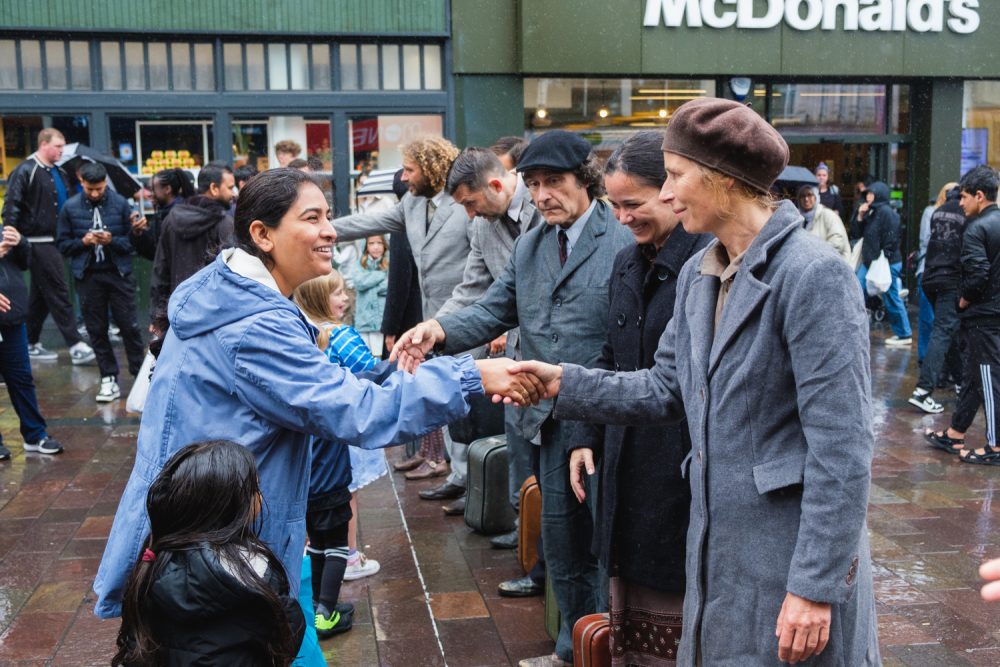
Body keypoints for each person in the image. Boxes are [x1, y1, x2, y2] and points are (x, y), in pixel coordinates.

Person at [505, 98, 879, 666]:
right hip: (717, 554)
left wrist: (815, 585)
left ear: (723, 180)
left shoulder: (813, 276)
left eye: (676, 175)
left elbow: (844, 451)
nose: (669, 193)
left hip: (787, 560)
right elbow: (663, 388)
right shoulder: (700, 276)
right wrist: (562, 381)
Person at [93, 168, 538, 629]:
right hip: (224, 557)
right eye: (312, 218)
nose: (330, 229)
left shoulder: (220, 291)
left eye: (328, 215)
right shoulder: (255, 328)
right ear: (262, 235)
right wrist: (470, 376)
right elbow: (361, 411)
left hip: (204, 543)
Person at [392, 130, 634, 666]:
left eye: (555, 183)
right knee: (561, 540)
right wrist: (436, 330)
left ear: (585, 181)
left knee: (607, 544)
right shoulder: (531, 245)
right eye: (536, 183)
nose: (544, 194)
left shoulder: (621, 237)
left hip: (604, 418)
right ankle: (573, 649)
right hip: (546, 420)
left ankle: (615, 649)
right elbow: (494, 309)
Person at [573, 131, 711, 666]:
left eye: (634, 204)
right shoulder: (628, 262)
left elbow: (668, 385)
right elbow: (612, 352)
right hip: (625, 464)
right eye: (613, 205)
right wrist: (585, 436)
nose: (622, 217)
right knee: (630, 620)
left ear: (673, 192)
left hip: (676, 469)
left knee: (680, 617)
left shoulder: (706, 267)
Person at [334, 137, 475, 508]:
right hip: (433, 320)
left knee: (471, 400)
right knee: (450, 398)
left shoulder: (465, 206)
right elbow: (368, 222)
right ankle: (460, 477)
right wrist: (322, 229)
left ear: (430, 169)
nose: (404, 176)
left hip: (469, 317)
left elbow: (487, 265)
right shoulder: (411, 204)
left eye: (410, 169)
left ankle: (476, 483)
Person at [111, 440, 305, 666]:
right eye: (255, 488)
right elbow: (285, 637)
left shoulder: (153, 563)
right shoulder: (256, 572)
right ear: (232, 504)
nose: (260, 496)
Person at [437, 145, 546, 532]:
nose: (469, 214)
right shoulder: (482, 225)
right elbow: (471, 290)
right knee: (518, 450)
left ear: (497, 184)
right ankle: (524, 535)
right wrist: (434, 330)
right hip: (516, 359)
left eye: (470, 202)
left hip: (557, 357)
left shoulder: (545, 205)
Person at [293, 271, 386, 583]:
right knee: (349, 492)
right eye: (336, 293)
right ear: (318, 298)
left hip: (316, 431)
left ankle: (314, 549)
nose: (345, 298)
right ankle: (348, 555)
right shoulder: (342, 335)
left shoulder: (302, 331)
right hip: (347, 427)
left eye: (344, 291)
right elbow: (371, 372)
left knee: (314, 493)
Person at [292, 274, 363, 638]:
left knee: (317, 545)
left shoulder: (299, 387)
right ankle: (325, 611)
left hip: (308, 485)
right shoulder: (330, 388)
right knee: (336, 545)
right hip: (332, 481)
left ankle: (322, 605)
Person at [924, 165, 1000, 466]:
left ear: (980, 196)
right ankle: (955, 432)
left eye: (966, 197)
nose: (962, 203)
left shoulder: (977, 228)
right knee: (973, 376)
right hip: (992, 313)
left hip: (984, 316)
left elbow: (978, 273)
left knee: (988, 377)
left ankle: (995, 445)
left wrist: (964, 300)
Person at [0, 128, 95, 364]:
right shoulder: (26, 170)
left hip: (57, 240)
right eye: (58, 147)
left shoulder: (60, 172)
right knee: (59, 289)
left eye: (63, 147)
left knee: (42, 296)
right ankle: (75, 344)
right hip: (35, 242)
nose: (62, 151)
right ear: (44, 144)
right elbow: (11, 206)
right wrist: (9, 237)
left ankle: (30, 342)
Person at [55, 162, 146, 403]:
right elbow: (63, 245)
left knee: (129, 326)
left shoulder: (120, 203)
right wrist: (84, 242)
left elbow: (131, 245)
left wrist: (111, 240)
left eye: (99, 188)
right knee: (96, 329)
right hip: (88, 275)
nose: (95, 193)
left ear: (106, 183)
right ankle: (108, 377)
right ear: (81, 183)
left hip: (118, 273)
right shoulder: (70, 207)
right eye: (90, 189)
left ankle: (140, 377)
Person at [0, 224, 65, 459]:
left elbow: (25, 262)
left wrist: (22, 242)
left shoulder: (2, 228)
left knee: (22, 379)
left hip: (13, 319)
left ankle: (35, 434)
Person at [150, 162, 235, 330]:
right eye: (230, 188)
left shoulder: (171, 218)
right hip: (215, 317)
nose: (233, 194)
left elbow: (160, 271)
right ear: (214, 188)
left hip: (178, 311)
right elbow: (233, 275)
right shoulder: (225, 224)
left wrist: (156, 315)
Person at [909, 183, 963, 415]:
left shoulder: (937, 212)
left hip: (931, 277)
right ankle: (923, 390)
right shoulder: (965, 213)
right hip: (951, 279)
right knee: (943, 331)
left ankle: (962, 383)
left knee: (947, 330)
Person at [857, 181, 912, 346]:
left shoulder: (886, 212)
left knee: (891, 297)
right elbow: (857, 232)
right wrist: (859, 216)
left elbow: (893, 236)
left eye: (871, 193)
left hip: (884, 263)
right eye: (867, 194)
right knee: (857, 289)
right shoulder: (872, 212)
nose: (868, 197)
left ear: (878, 194)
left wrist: (885, 255)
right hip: (872, 262)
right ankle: (853, 329)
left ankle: (904, 334)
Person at [131, 168, 196, 261]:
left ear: (167, 189)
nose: (150, 194)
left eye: (153, 189)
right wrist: (139, 233)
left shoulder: (178, 216)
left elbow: (162, 254)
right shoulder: (164, 213)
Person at [796, 185, 851, 263]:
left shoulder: (828, 215)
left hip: (833, 266)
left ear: (816, 197)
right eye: (802, 196)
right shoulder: (799, 218)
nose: (806, 199)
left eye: (809, 195)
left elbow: (838, 242)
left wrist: (815, 253)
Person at [354, 235, 389, 357]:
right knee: (365, 355)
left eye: (379, 243)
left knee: (379, 355)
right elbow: (359, 282)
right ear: (366, 246)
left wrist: (370, 285)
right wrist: (380, 275)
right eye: (371, 243)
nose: (376, 247)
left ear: (385, 245)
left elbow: (389, 284)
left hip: (380, 320)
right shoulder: (360, 263)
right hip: (364, 319)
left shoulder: (390, 263)